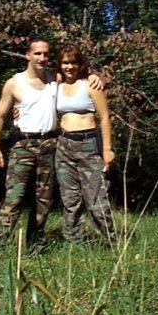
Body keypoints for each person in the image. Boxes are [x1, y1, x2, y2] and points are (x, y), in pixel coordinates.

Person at [0, 38, 102, 251]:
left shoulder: (54, 78)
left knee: (44, 200)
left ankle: (36, 245)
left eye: (46, 54)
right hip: (23, 145)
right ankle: (0, 247)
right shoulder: (14, 83)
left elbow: (76, 77)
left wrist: (93, 76)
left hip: (50, 144)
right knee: (14, 199)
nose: (42, 58)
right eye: (37, 54)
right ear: (28, 55)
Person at [55, 43, 116, 244]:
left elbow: (105, 117)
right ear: (60, 64)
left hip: (89, 144)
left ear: (80, 64)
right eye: (65, 63)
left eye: (73, 62)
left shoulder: (91, 85)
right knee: (70, 199)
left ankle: (110, 243)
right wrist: (18, 110)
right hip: (64, 146)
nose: (69, 67)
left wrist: (107, 149)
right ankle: (75, 243)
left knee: (97, 199)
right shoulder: (56, 85)